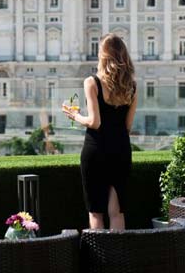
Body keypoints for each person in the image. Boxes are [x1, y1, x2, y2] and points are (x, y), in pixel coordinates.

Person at [62, 34, 137, 230]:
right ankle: (117, 257)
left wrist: (74, 115)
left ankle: (99, 258)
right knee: (117, 212)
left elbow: (95, 122)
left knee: (96, 212)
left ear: (102, 55)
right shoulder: (132, 86)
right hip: (121, 150)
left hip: (96, 150)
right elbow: (128, 126)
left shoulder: (92, 82)